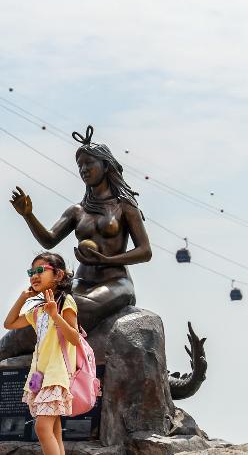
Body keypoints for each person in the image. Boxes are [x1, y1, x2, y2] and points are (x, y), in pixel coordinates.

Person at [8, 125, 151, 330]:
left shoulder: (124, 206)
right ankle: (29, 355)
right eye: (79, 165)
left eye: (89, 163)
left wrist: (109, 260)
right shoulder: (77, 210)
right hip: (81, 281)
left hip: (115, 282)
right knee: (45, 310)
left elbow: (145, 251)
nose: (84, 169)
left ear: (106, 165)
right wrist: (28, 215)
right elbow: (49, 240)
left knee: (76, 308)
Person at [3, 252, 81, 455]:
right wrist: (24, 297)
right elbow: (9, 323)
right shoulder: (37, 311)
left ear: (58, 275)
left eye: (40, 270)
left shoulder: (65, 302)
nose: (34, 276)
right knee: (54, 432)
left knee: (42, 427)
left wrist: (55, 314)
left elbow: (74, 338)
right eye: (31, 272)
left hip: (56, 374)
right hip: (40, 375)